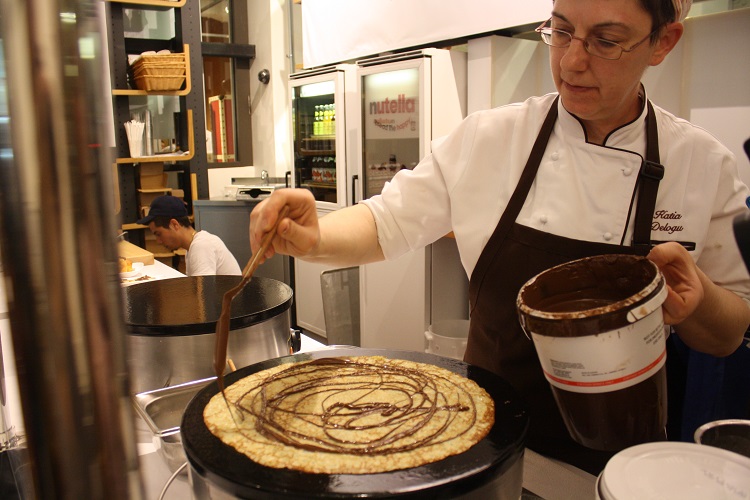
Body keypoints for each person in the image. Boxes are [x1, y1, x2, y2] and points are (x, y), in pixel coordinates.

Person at [249, 0, 750, 474]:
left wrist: (700, 301)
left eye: (606, 40)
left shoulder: (703, 165)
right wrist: (314, 237)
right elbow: (386, 223)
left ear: (663, 42)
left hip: (622, 458)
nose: (572, 62)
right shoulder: (490, 138)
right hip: (485, 439)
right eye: (561, 31)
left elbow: (728, 333)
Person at [137, 195, 241, 276]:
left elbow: (203, 298)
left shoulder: (201, 246)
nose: (158, 241)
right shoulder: (192, 246)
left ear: (174, 224)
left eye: (159, 234)